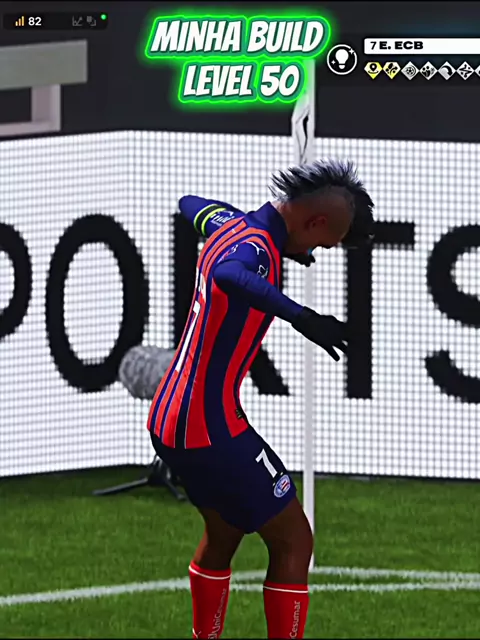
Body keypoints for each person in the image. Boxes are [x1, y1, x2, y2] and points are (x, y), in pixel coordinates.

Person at [147, 160, 375, 639]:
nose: (315, 252)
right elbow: (231, 273)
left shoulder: (230, 225)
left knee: (225, 531)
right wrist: (301, 317)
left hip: (169, 420)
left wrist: (267, 240)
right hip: (210, 427)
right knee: (295, 541)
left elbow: (189, 203)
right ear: (314, 221)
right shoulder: (255, 251)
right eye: (321, 243)